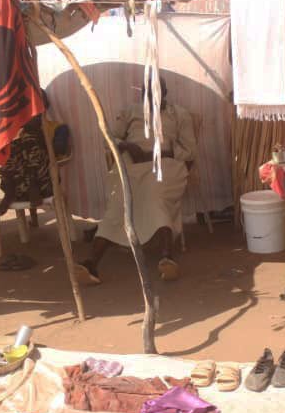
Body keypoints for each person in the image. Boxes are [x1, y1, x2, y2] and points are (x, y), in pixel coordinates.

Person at [75, 78, 196, 284]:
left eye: (154, 91)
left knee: (154, 195)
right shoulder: (130, 111)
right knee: (119, 202)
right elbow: (109, 139)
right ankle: (91, 264)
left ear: (164, 92)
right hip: (131, 164)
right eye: (145, 92)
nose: (148, 96)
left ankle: (167, 258)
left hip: (164, 165)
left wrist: (159, 153)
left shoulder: (179, 114)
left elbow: (190, 151)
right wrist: (128, 147)